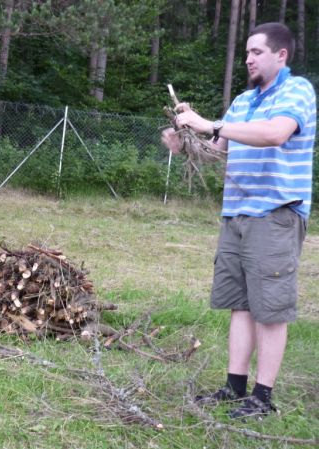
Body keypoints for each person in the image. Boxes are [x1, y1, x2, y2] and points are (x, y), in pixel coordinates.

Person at [161, 22, 316, 419]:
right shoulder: (243, 101)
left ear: (281, 55)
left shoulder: (297, 91)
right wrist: (183, 145)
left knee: (270, 308)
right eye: (246, 52)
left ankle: (263, 399)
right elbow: (217, 152)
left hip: (276, 215)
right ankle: (235, 388)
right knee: (241, 306)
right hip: (236, 215)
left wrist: (208, 124)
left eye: (257, 52)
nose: (247, 58)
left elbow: (275, 134)